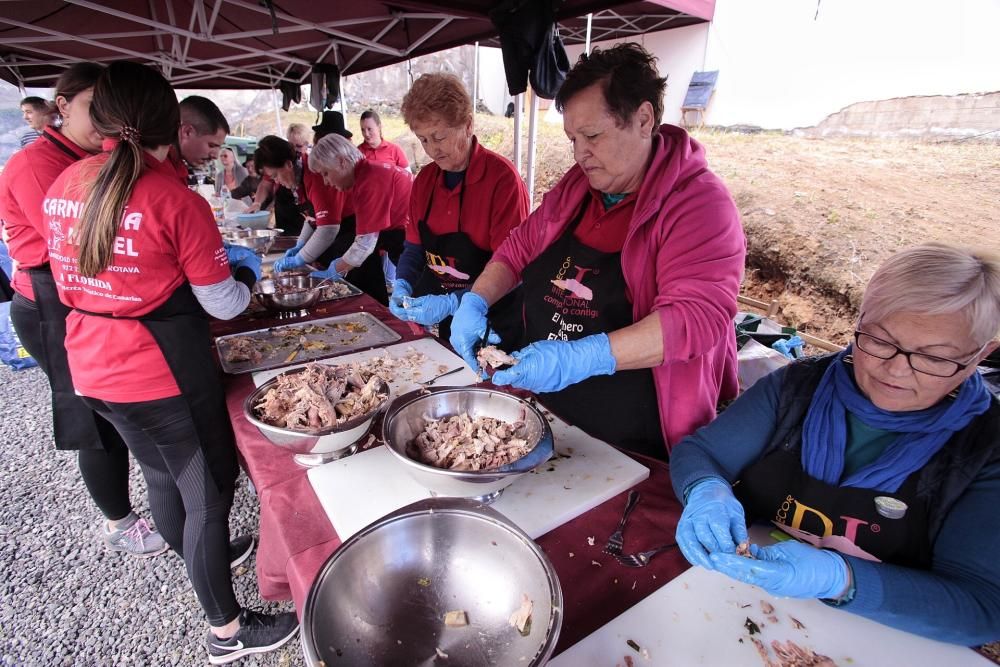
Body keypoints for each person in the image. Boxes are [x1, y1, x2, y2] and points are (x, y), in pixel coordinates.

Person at [43, 61, 293, 664]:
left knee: (160, 476)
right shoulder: (172, 198)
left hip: (90, 363)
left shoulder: (65, 186)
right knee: (206, 493)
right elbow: (225, 305)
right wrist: (243, 273)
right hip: (157, 371)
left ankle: (197, 560)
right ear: (169, 122)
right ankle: (226, 630)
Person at [671, 243, 1000, 646]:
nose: (895, 369)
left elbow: (982, 608)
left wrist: (840, 578)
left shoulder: (987, 448)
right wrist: (706, 489)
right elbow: (702, 453)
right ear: (860, 321)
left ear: (982, 355)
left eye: (934, 358)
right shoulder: (796, 389)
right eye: (879, 340)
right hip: (739, 604)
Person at [449, 43, 745, 459]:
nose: (579, 153)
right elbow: (517, 249)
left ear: (643, 119)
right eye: (572, 138)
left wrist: (582, 358)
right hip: (547, 410)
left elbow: (695, 320)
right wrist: (476, 301)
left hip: (632, 435)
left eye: (591, 136)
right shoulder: (578, 186)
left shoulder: (700, 205)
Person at [0, 63, 166, 557]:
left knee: (117, 410)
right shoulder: (39, 165)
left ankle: (160, 510)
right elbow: (74, 248)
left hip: (87, 293)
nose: (105, 120)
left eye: (111, 110)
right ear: (63, 104)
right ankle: (119, 520)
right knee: (88, 414)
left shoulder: (91, 157)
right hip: (50, 297)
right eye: (96, 108)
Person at [387, 73, 529, 344]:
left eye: (439, 137)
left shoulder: (502, 180)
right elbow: (415, 249)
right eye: (423, 139)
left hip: (496, 317)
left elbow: (514, 268)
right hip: (447, 313)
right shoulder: (425, 181)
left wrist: (455, 302)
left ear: (467, 124)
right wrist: (402, 283)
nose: (432, 150)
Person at [306, 134, 411, 303]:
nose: (326, 182)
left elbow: (364, 245)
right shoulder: (365, 174)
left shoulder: (370, 180)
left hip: (413, 240)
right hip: (401, 240)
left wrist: (334, 271)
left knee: (420, 299)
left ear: (341, 162)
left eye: (326, 173)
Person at [173, 95, 229, 185]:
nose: (215, 156)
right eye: (211, 145)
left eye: (219, 147)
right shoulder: (160, 173)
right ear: (187, 132)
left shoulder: (174, 169)